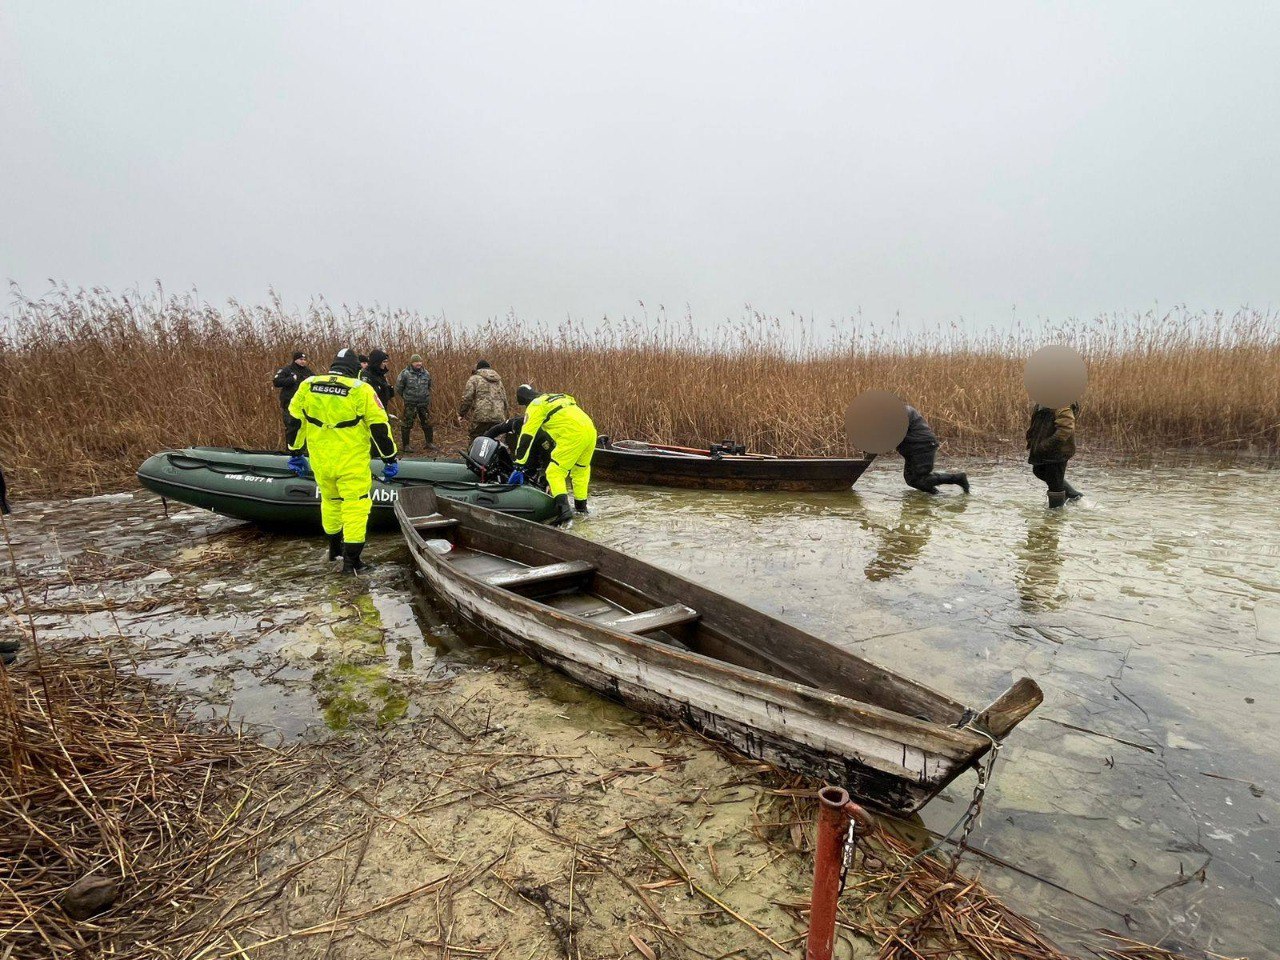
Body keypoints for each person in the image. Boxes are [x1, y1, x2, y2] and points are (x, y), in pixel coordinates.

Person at [287, 347, 399, 574]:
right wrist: (389, 458)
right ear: (354, 369)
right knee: (356, 506)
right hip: (351, 461)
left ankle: (334, 550)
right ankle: (352, 562)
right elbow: (379, 427)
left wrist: (295, 452)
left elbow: (295, 422)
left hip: (321, 460)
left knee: (330, 502)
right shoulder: (361, 390)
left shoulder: (308, 385)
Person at [512, 384, 597, 526]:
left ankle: (564, 512)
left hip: (573, 434)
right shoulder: (553, 397)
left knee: (554, 472)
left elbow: (527, 436)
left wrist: (519, 463)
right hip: (590, 430)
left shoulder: (535, 406)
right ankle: (582, 509)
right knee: (580, 471)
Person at [897, 405, 969, 494]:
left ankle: (958, 479)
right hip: (917, 446)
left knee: (918, 479)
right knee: (912, 479)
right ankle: (936, 495)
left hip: (921, 446)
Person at [1026, 403, 1082, 508]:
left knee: (1055, 483)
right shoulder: (1041, 403)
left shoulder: (1061, 403)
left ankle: (1055, 514)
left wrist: (1046, 445)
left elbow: (1065, 429)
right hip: (1043, 450)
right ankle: (1074, 496)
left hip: (1057, 451)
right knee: (1039, 471)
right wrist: (1032, 441)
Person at [458, 359, 509, 440]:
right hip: (498, 415)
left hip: (481, 416)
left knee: (475, 437)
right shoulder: (498, 381)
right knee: (494, 439)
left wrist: (461, 414)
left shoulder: (474, 379)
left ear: (478, 369)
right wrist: (505, 414)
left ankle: (473, 452)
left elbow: (467, 398)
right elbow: (505, 399)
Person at [272, 351, 314, 442]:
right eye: (300, 359)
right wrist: (291, 380)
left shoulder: (308, 371)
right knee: (291, 427)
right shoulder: (287, 370)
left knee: (303, 429)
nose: (303, 361)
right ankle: (290, 450)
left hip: (304, 405)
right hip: (289, 404)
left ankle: (301, 451)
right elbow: (276, 381)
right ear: (295, 360)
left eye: (304, 360)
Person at [397, 354, 434, 451]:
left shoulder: (426, 373)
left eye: (420, 361)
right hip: (410, 403)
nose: (419, 363)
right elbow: (399, 388)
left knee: (427, 423)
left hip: (423, 403)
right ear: (412, 363)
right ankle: (406, 446)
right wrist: (407, 397)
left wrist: (424, 396)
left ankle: (429, 443)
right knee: (407, 424)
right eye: (416, 362)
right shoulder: (405, 373)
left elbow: (429, 386)